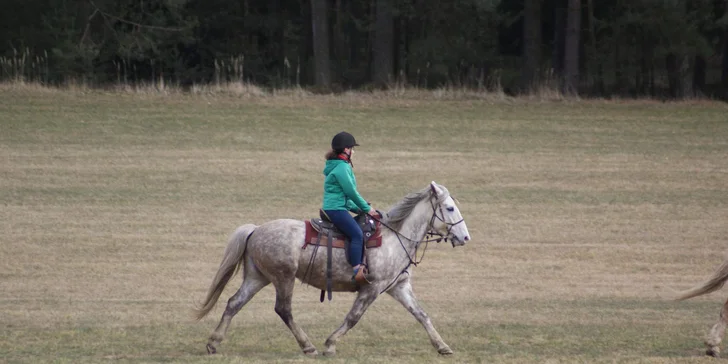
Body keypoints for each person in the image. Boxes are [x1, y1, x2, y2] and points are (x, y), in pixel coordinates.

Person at [322, 131, 378, 285]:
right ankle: (357, 270)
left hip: (338, 207)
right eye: (352, 148)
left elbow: (345, 198)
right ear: (346, 150)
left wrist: (359, 209)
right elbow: (351, 192)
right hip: (336, 209)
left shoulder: (339, 166)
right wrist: (366, 208)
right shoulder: (342, 168)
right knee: (357, 235)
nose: (353, 151)